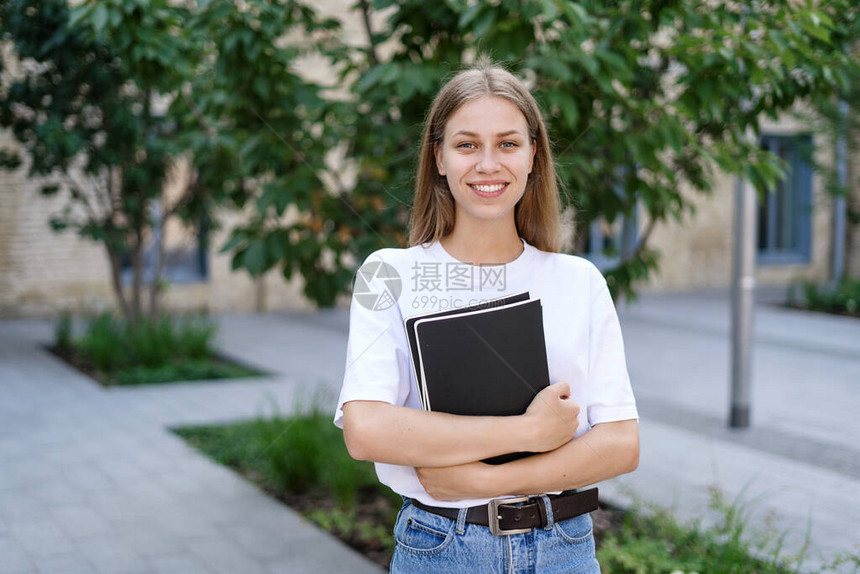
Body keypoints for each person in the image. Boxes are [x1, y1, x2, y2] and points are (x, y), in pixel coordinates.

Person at [334, 62, 639, 573]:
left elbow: (621, 444)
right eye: (467, 144)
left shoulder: (579, 281)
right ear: (439, 158)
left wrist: (485, 480)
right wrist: (528, 431)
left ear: (533, 155)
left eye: (508, 144)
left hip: (564, 550)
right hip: (443, 548)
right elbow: (367, 429)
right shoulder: (390, 274)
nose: (488, 164)